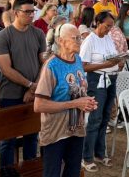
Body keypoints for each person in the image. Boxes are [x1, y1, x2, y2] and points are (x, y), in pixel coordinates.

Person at [34, 24, 97, 177]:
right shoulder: (52, 66)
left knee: (73, 172)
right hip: (56, 132)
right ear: (61, 41)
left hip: (76, 128)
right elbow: (39, 105)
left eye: (80, 37)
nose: (80, 41)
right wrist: (75, 103)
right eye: (75, 38)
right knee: (52, 173)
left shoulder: (77, 59)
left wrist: (86, 102)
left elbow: (77, 89)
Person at [0, 0, 46, 167]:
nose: (31, 15)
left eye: (33, 12)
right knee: (8, 138)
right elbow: (6, 69)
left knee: (32, 134)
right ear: (16, 13)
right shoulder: (3, 36)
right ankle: (6, 170)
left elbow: (43, 62)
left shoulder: (38, 33)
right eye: (27, 12)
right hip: (10, 94)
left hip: (34, 92)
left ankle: (29, 167)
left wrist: (34, 88)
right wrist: (29, 85)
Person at [79, 11, 123, 172]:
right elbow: (83, 66)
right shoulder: (89, 40)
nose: (109, 29)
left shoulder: (108, 38)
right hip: (96, 80)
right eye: (107, 26)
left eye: (111, 26)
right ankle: (87, 156)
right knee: (94, 119)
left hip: (111, 78)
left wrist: (119, 62)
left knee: (105, 118)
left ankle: (99, 152)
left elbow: (112, 57)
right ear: (98, 22)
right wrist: (105, 65)